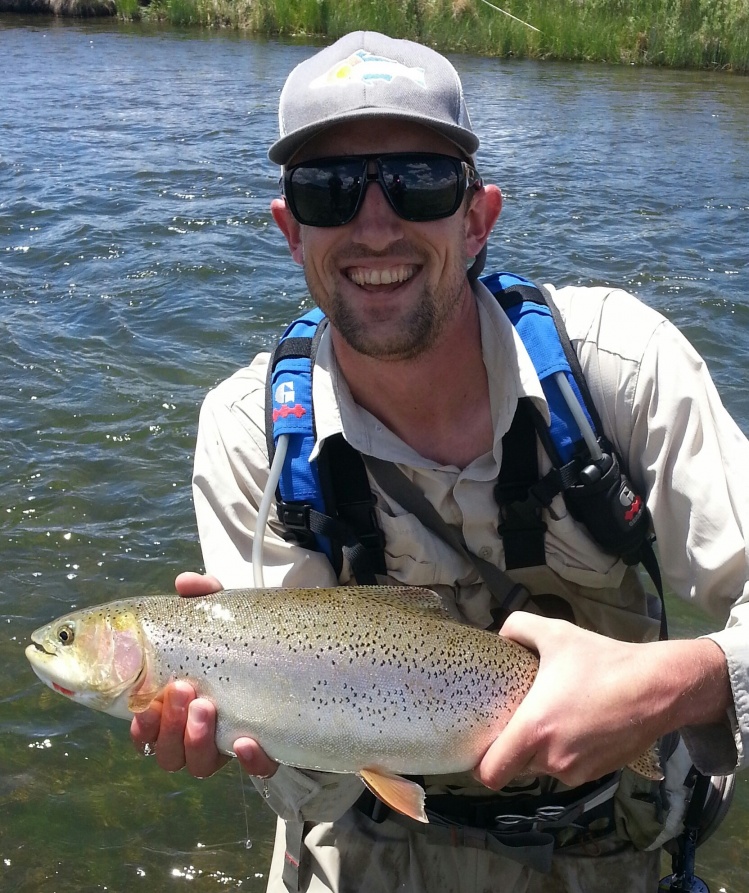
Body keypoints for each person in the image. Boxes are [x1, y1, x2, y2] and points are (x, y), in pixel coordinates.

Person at [131, 31, 749, 893]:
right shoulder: (252, 435)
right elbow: (313, 791)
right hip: (363, 858)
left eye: (417, 183)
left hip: (617, 849)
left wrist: (680, 685)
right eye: (329, 189)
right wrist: (251, 722)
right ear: (289, 230)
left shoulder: (620, 368)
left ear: (477, 218)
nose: (373, 224)